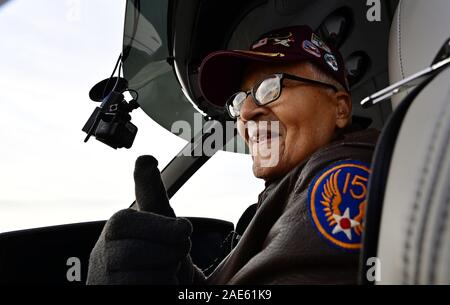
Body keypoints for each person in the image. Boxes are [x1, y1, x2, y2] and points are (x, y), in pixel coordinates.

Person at [87, 25, 379, 285]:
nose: (248, 112)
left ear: (340, 108)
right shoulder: (286, 192)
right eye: (239, 100)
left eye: (271, 87)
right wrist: (181, 276)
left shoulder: (344, 174)